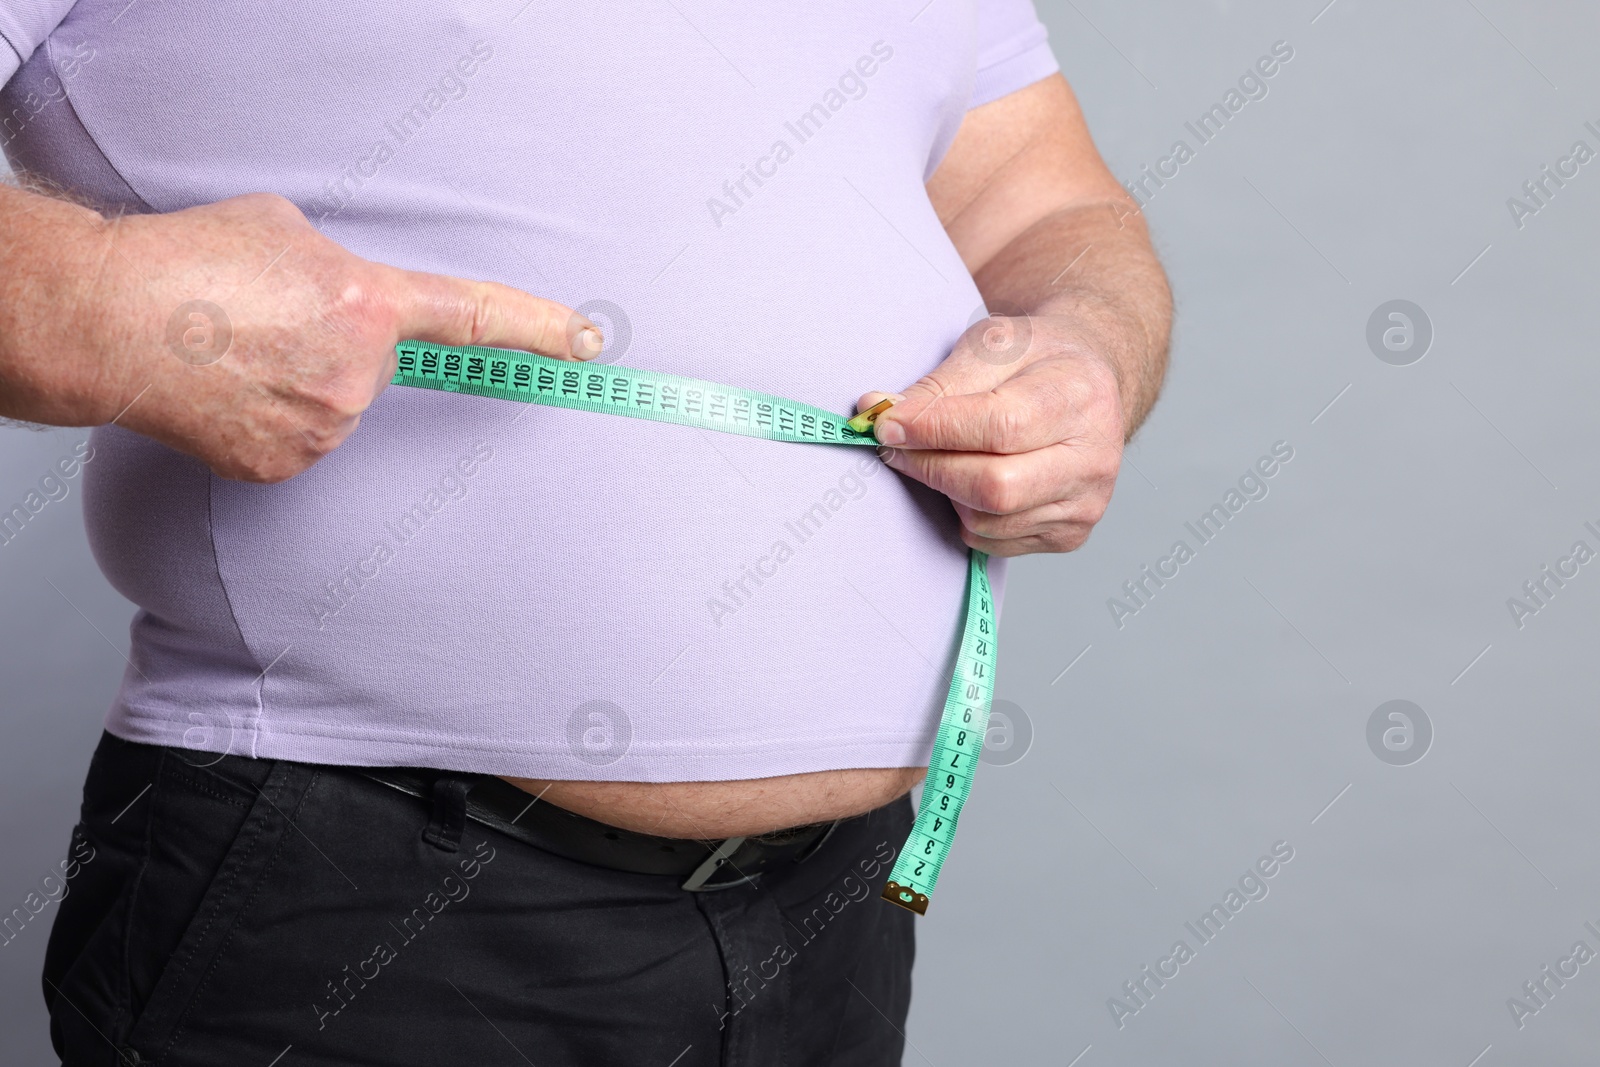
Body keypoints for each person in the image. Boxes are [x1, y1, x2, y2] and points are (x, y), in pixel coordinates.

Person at [0, 1, 1169, 1063]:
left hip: (835, 912)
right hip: (368, 887)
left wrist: (1090, 343)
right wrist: (105, 296)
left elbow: (1039, 194)